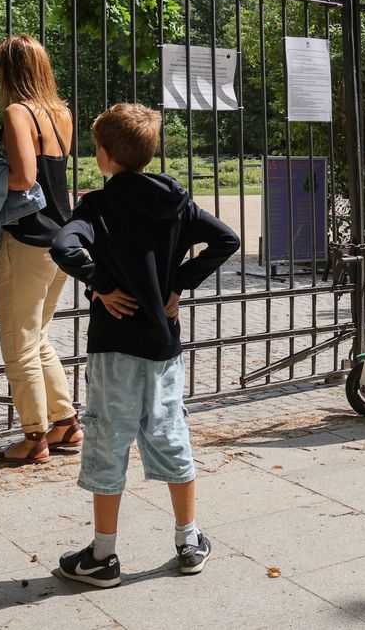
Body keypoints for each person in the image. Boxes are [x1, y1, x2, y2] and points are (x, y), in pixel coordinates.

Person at [50, 103, 239, 587]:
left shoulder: (97, 206)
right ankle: (188, 539)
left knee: (108, 440)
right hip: (161, 343)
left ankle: (102, 555)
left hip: (113, 343)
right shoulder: (177, 202)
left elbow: (63, 246)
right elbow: (226, 240)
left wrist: (97, 285)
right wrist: (179, 285)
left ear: (105, 155)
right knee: (170, 433)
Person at [0, 35, 81, 463]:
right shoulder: (62, 113)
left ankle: (34, 437)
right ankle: (64, 422)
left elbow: (25, 178)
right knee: (38, 336)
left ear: (10, 70)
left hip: (26, 238)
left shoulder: (16, 113)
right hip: (62, 235)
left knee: (19, 342)